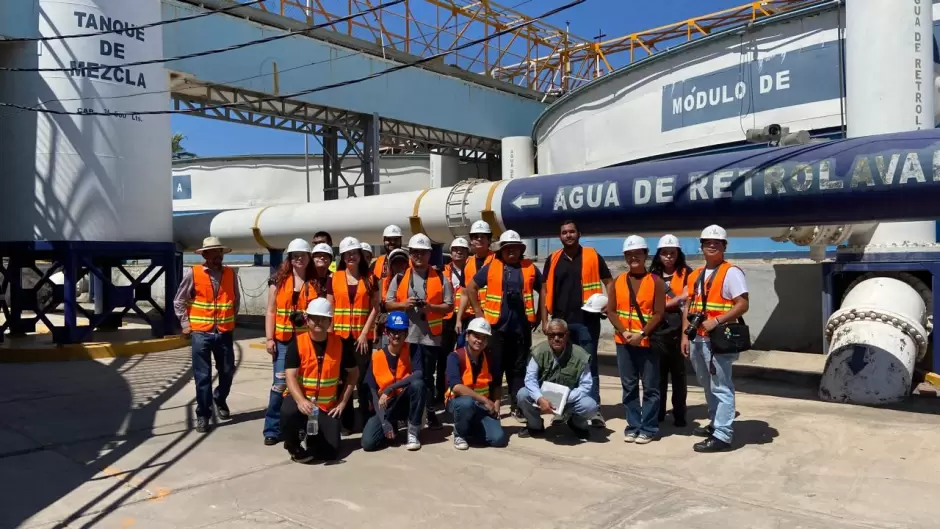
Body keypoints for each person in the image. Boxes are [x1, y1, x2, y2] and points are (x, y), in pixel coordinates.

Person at [460, 230, 543, 423]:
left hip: (521, 328)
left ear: (521, 249)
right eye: (507, 248)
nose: (511, 251)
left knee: (518, 369)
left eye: (515, 248)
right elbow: (471, 287)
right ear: (502, 250)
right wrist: (479, 314)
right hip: (496, 328)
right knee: (494, 368)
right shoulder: (491, 266)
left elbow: (544, 288)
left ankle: (517, 406)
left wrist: (540, 316)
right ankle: (492, 405)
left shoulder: (529, 267)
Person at [682, 225, 749, 453]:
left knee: (721, 386)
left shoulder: (731, 272)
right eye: (708, 242)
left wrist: (717, 321)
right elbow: (689, 306)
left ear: (724, 247)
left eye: (717, 243)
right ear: (701, 246)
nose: (712, 245)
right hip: (698, 339)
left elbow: (742, 304)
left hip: (718, 339)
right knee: (707, 384)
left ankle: (723, 435)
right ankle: (715, 424)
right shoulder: (695, 275)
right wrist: (685, 335)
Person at [539, 220, 612, 428]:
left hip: (587, 321)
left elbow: (609, 282)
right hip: (560, 323)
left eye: (572, 232)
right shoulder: (553, 259)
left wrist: (609, 305)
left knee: (589, 365)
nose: (568, 235)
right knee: (560, 367)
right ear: (559, 236)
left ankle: (593, 409)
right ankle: (559, 409)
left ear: (579, 234)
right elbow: (544, 290)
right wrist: (545, 320)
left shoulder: (592, 255)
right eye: (564, 232)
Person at [385, 233, 454, 430]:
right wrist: (404, 304)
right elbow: (388, 304)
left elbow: (449, 306)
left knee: (427, 376)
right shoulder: (399, 278)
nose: (418, 256)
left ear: (429, 255)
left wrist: (431, 307)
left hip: (430, 337)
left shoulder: (441, 277)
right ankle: (408, 412)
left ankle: (429, 412)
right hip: (405, 336)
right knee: (407, 376)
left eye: (422, 253)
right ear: (410, 254)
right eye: (415, 252)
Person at [173, 236, 240, 433]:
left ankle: (219, 399)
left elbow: (235, 301)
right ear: (205, 254)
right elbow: (179, 300)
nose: (217, 255)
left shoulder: (230, 273)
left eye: (219, 252)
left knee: (227, 371)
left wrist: (229, 319)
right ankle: (203, 414)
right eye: (213, 252)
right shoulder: (193, 273)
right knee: (202, 377)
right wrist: (186, 324)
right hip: (201, 334)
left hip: (224, 333)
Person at [281, 298, 358, 463]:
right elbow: (290, 376)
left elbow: (354, 374)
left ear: (330, 320)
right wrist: (301, 401)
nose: (319, 322)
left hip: (326, 406)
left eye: (323, 318)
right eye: (314, 318)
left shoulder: (340, 344)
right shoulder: (297, 343)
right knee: (288, 412)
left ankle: (313, 438)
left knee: (329, 454)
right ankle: (292, 443)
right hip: (302, 401)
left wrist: (342, 403)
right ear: (307, 319)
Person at [607, 235, 665, 444]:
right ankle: (633, 425)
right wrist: (624, 332)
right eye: (629, 255)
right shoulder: (617, 282)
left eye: (637, 254)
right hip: (624, 342)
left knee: (650, 387)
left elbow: (659, 313)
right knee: (629, 386)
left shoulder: (656, 282)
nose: (633, 258)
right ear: (625, 256)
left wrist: (641, 334)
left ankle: (648, 427)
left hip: (646, 342)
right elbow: (611, 311)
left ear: (645, 255)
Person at [262, 238, 318, 446]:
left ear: (308, 258)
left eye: (302, 256)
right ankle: (272, 429)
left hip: (305, 342)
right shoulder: (277, 282)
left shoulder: (314, 283)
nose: (299, 260)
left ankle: (299, 427)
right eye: (295, 256)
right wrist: (269, 338)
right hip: (283, 341)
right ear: (290, 259)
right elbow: (270, 311)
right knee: (279, 385)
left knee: (302, 385)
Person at [329, 236, 381, 432]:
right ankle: (346, 421)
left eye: (354, 252)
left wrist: (364, 333)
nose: (351, 256)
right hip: (339, 338)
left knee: (362, 381)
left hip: (361, 339)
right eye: (347, 253)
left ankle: (367, 419)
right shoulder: (334, 278)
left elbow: (375, 308)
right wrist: (330, 336)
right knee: (342, 381)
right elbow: (330, 307)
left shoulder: (370, 279)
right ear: (342, 256)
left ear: (360, 255)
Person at [517, 319, 598, 440]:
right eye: (551, 335)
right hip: (543, 398)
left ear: (567, 335)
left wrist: (565, 398)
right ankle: (535, 426)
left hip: (569, 399)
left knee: (590, 406)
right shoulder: (539, 351)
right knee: (522, 394)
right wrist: (540, 398)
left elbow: (586, 385)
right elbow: (530, 379)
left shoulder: (580, 355)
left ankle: (577, 424)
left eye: (560, 334)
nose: (556, 338)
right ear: (547, 335)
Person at [361, 311, 426, 452]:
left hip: (405, 399)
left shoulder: (413, 349)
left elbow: (419, 374)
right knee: (368, 443)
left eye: (401, 332)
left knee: (418, 385)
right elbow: (372, 391)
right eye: (393, 332)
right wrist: (384, 422)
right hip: (387, 405)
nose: (396, 336)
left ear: (406, 333)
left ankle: (413, 431)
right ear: (386, 332)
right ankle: (392, 424)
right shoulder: (377, 356)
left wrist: (390, 388)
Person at [444, 317, 508, 450]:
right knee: (466, 403)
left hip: (481, 407)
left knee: (499, 439)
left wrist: (496, 405)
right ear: (467, 336)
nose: (479, 341)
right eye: (476, 336)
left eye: (484, 338)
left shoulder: (490, 357)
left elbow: (496, 384)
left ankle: (469, 430)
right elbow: (456, 387)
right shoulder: (455, 357)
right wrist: (484, 399)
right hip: (458, 404)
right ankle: (459, 434)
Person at [650, 234, 692, 427]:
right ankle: (657, 414)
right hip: (657, 331)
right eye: (665, 253)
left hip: (677, 330)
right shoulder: (652, 275)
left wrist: (666, 305)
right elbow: (649, 303)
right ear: (659, 255)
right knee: (657, 376)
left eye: (672, 253)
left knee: (679, 377)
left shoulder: (687, 274)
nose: (668, 257)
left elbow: (689, 300)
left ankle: (680, 415)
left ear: (678, 254)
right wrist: (676, 300)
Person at [440, 237, 471, 407]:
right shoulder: (443, 271)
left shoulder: (472, 270)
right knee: (443, 356)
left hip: (465, 318)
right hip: (446, 318)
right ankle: (441, 392)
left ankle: (460, 388)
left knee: (462, 355)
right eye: (455, 249)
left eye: (462, 249)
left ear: (467, 253)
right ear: (450, 252)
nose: (458, 252)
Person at [461, 220, 495, 319]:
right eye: (476, 237)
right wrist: (459, 319)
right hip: (473, 314)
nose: (479, 239)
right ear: (471, 241)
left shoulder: (497, 260)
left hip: (493, 313)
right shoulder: (467, 263)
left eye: (483, 236)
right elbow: (465, 293)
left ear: (489, 240)